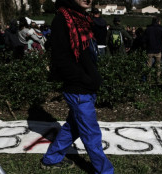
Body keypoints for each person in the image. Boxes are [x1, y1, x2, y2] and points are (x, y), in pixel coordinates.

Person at [40, 0, 114, 173]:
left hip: (86, 87)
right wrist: (84, 79)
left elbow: (87, 54)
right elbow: (60, 59)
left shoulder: (82, 18)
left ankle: (51, 158)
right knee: (92, 134)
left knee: (72, 127)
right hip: (78, 88)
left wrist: (92, 78)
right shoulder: (62, 19)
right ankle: (105, 171)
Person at [143, 16, 162, 83]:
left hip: (149, 50)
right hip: (158, 50)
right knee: (158, 66)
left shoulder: (148, 29)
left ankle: (148, 80)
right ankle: (157, 79)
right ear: (158, 22)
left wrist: (146, 46)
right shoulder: (161, 29)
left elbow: (143, 40)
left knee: (148, 66)